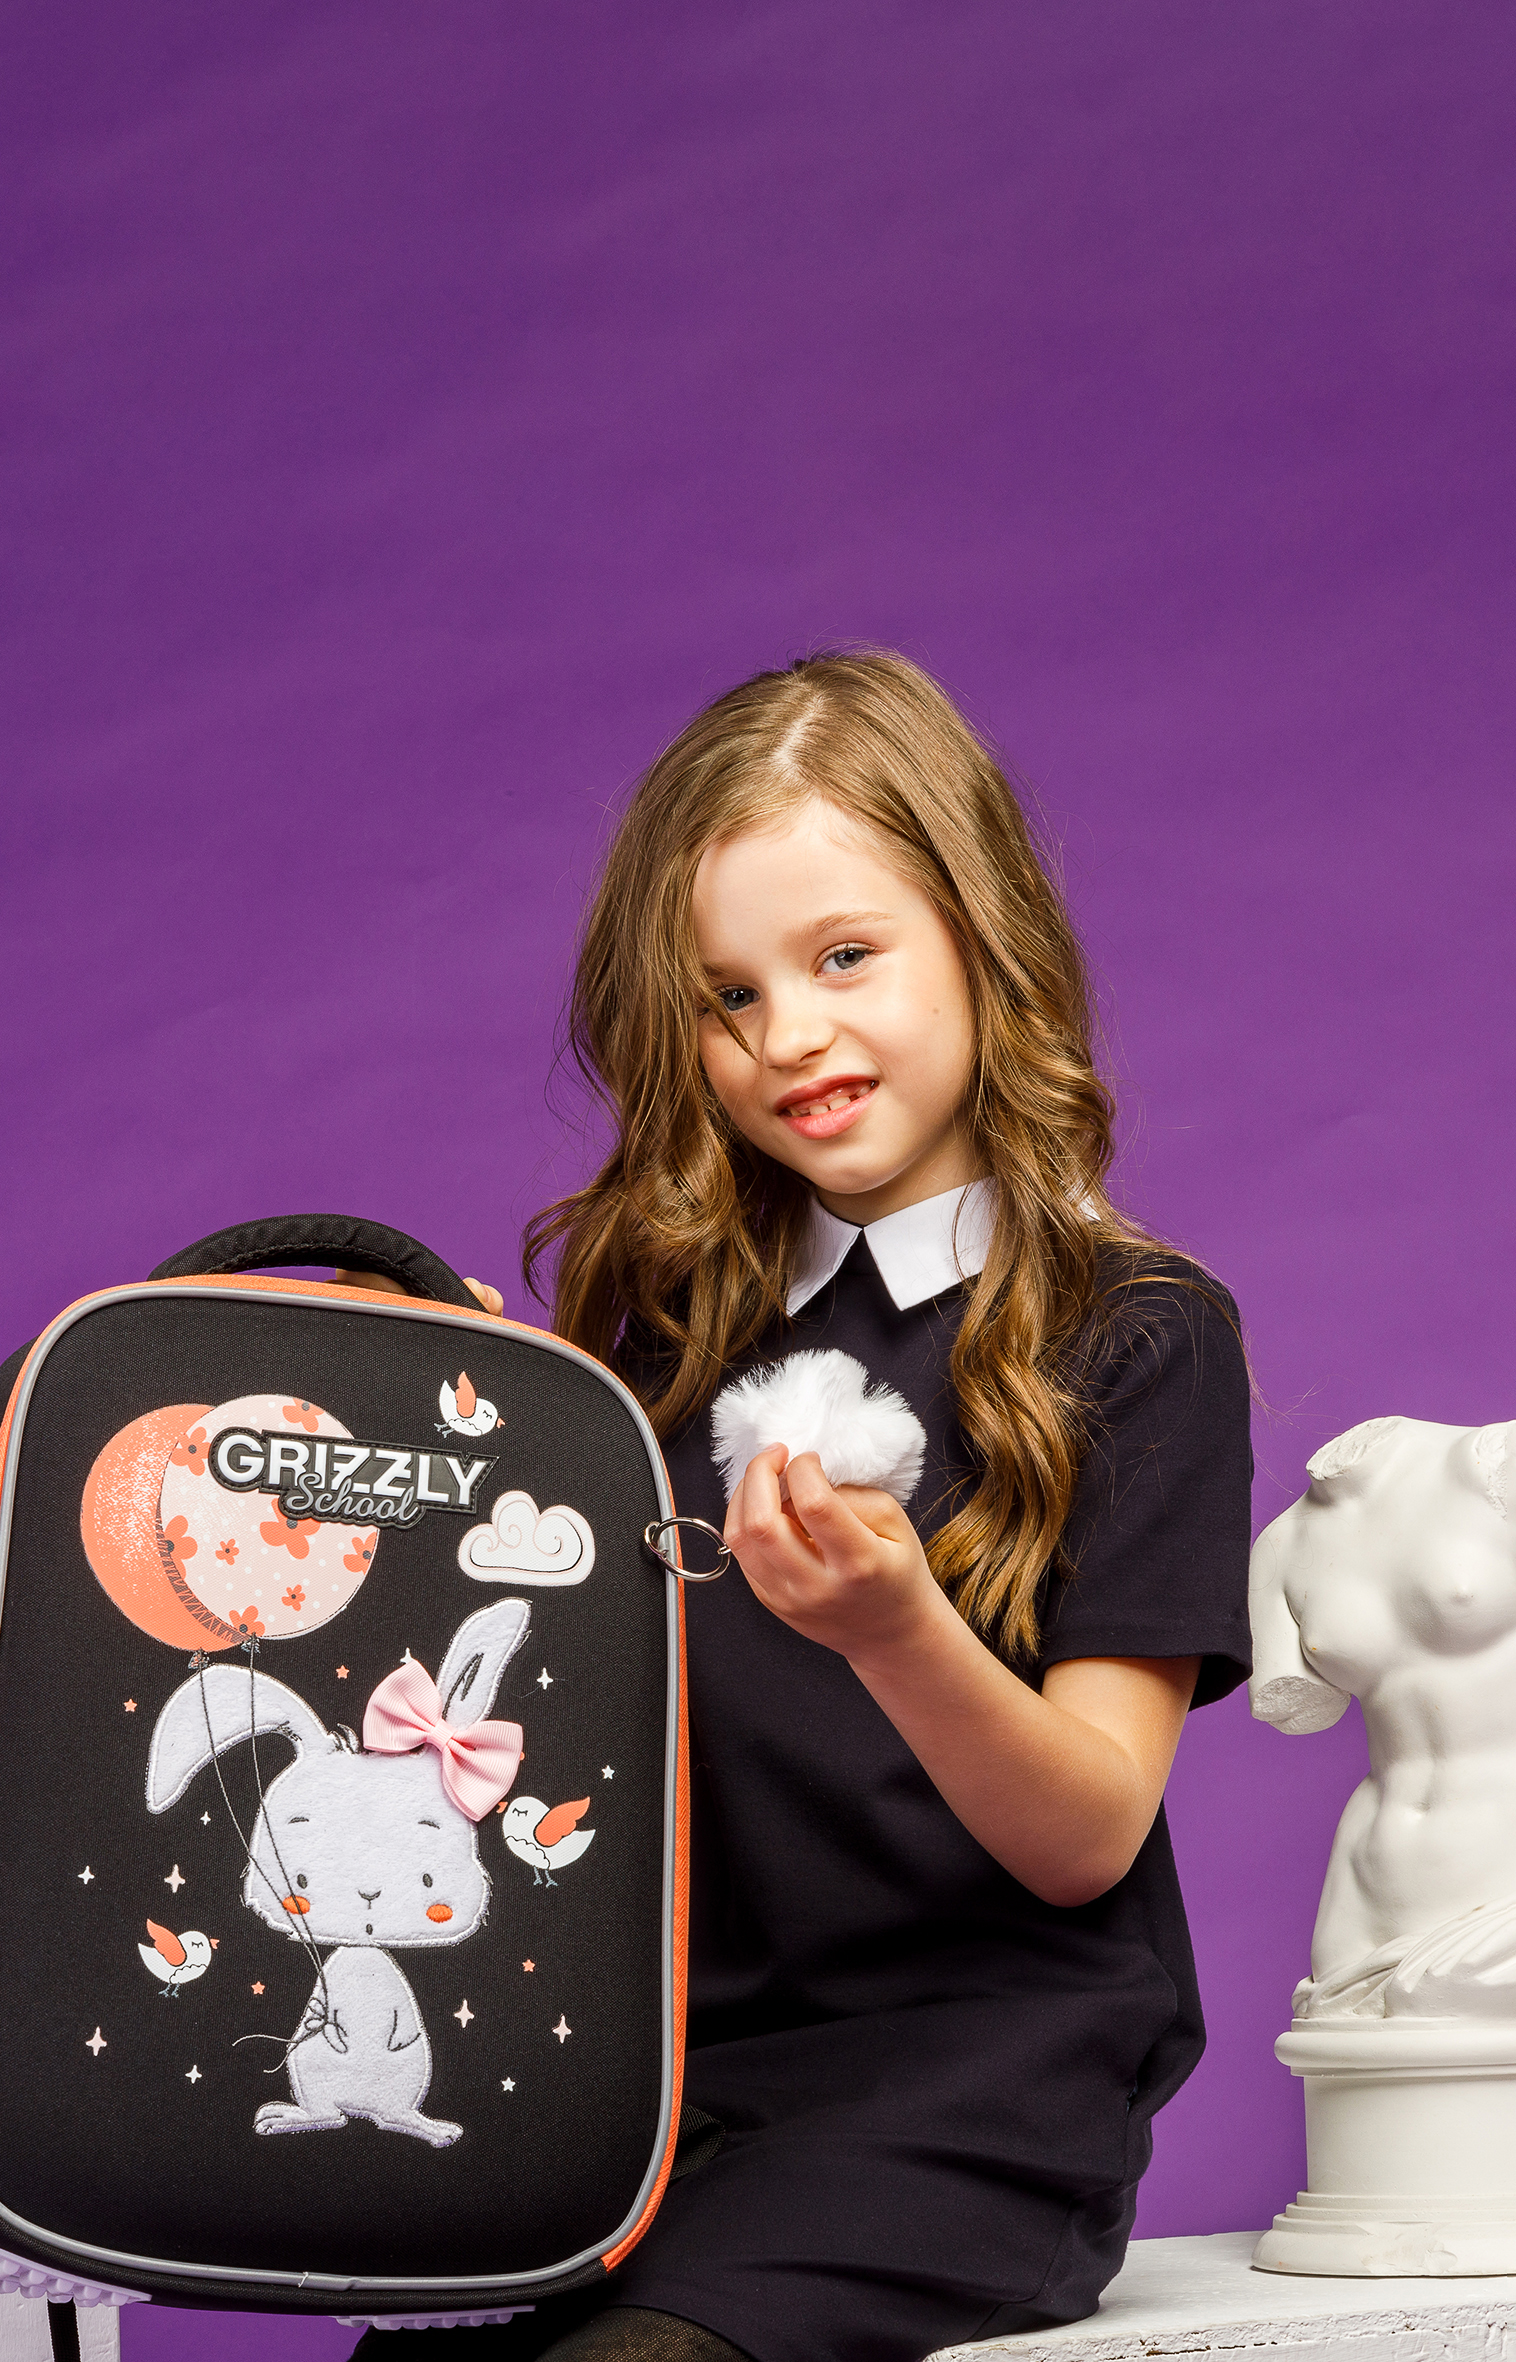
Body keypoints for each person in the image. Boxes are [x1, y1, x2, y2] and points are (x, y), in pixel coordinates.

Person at [360, 651, 1252, 2362]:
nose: (789, 1037)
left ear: (984, 936)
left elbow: (1087, 1833)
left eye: (846, 957)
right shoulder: (662, 1342)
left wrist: (896, 1628)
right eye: (728, 995)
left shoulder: (1138, 1335)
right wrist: (460, 1442)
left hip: (969, 2100)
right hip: (663, 2087)